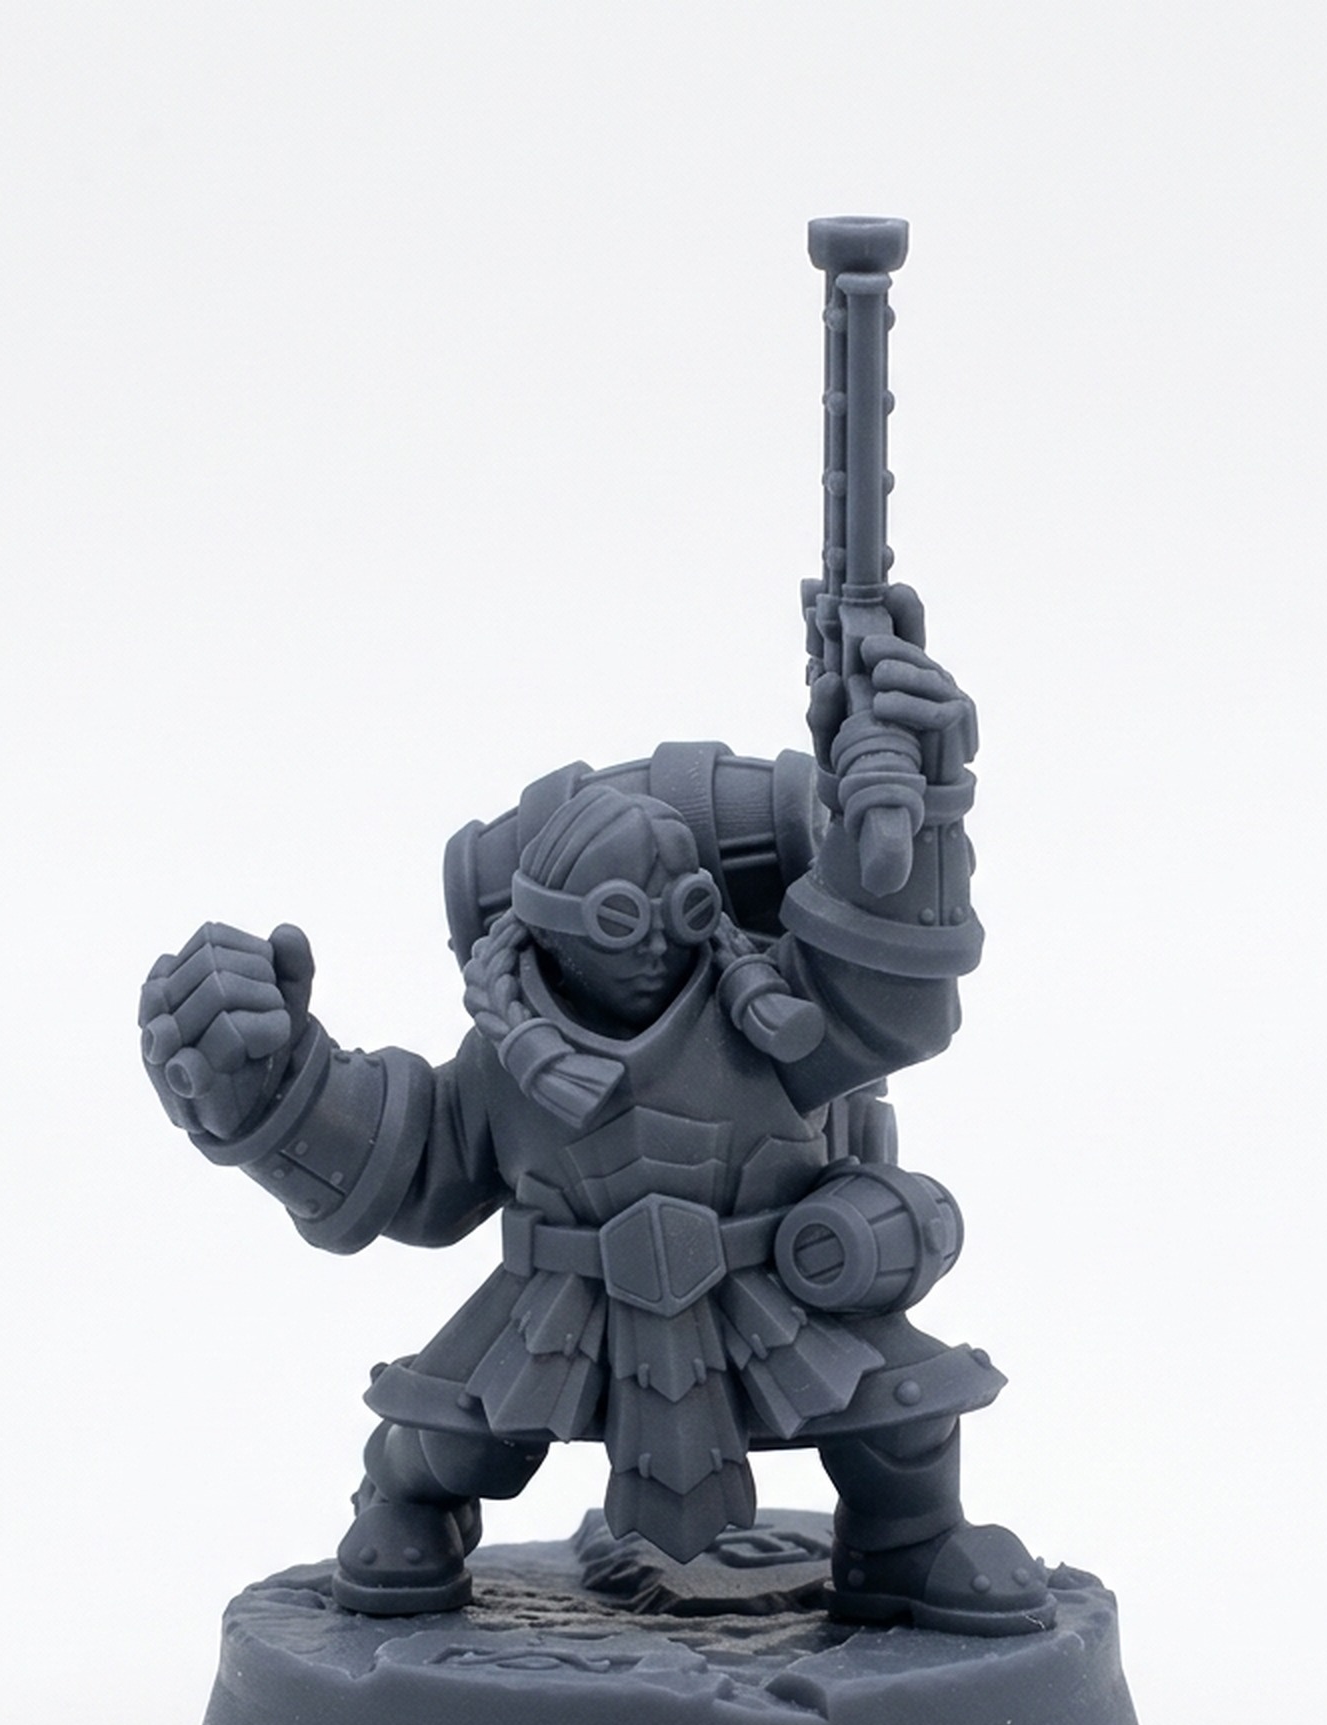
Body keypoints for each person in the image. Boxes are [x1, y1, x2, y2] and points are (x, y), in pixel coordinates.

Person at [139, 630, 1054, 1635]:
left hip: (764, 1286)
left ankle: (903, 1542)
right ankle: (408, 1506)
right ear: (547, 926)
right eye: (621, 918)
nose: (657, 938)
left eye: (684, 907)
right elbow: (413, 1165)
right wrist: (267, 1089)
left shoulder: (767, 1013)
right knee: (453, 1435)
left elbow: (890, 998)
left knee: (901, 1412)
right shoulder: (505, 1055)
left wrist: (912, 807)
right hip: (566, 1303)